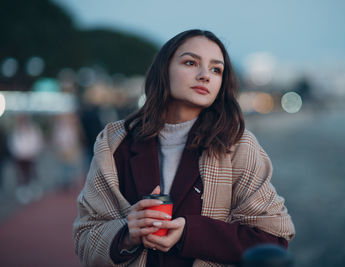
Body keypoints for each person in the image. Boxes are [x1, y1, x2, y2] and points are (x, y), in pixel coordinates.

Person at [73, 29, 295, 267]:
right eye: (191, 62)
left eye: (216, 69)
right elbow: (85, 236)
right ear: (164, 69)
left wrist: (190, 233)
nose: (204, 75)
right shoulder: (114, 141)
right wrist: (127, 235)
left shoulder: (237, 145)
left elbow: (273, 239)